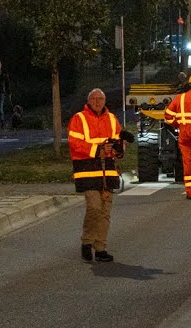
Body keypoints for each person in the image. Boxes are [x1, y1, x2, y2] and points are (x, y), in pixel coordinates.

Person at [68, 89, 129, 263]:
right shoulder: (79, 118)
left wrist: (118, 149)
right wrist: (97, 150)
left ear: (104, 101)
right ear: (88, 101)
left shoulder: (111, 118)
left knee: (105, 212)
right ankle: (87, 242)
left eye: (100, 99)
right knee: (94, 207)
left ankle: (100, 248)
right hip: (87, 171)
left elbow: (119, 142)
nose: (97, 102)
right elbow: (75, 143)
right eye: (94, 99)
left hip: (107, 172)